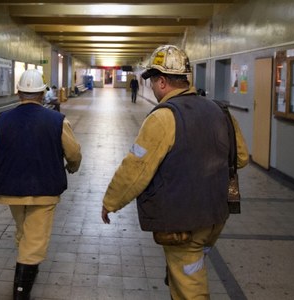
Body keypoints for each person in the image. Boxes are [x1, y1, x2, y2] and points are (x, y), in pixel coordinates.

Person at [100, 45, 248, 299]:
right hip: (217, 213)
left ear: (162, 81)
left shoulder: (164, 117)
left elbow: (136, 169)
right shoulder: (220, 111)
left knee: (190, 284)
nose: (154, 89)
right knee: (188, 269)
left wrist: (110, 202)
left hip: (184, 219)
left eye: (154, 82)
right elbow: (241, 158)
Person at [0, 69, 82, 300]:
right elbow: (73, 152)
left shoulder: (2, 122)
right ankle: (20, 292)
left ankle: (28, 270)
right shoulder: (57, 121)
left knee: (25, 230)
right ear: (43, 93)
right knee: (34, 239)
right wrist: (72, 167)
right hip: (45, 189)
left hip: (11, 190)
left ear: (18, 94)